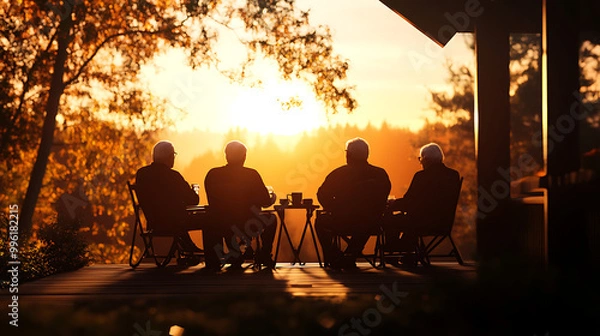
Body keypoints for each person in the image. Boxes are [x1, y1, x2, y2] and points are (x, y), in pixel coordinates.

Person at [315, 137, 391, 270]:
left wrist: (333, 208)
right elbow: (383, 199)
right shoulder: (380, 174)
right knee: (366, 222)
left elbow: (321, 194)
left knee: (320, 221)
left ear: (348, 154)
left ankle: (335, 256)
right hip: (371, 223)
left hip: (342, 221)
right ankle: (349, 256)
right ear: (366, 154)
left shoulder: (339, 174)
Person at [204, 140, 277, 269]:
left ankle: (234, 253)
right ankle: (264, 254)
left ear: (226, 155)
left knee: (221, 220)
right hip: (247, 222)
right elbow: (265, 202)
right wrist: (272, 196)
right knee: (271, 218)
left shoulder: (213, 175)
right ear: (244, 157)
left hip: (220, 222)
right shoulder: (251, 175)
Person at [384, 143, 460, 263]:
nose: (420, 163)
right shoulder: (453, 175)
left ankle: (393, 251)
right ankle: (407, 252)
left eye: (420, 159)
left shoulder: (422, 176)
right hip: (443, 222)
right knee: (410, 219)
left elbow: (409, 202)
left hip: (421, 223)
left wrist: (392, 204)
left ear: (427, 159)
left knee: (389, 219)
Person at [135, 140, 204, 259]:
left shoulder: (141, 174)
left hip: (153, 223)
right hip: (175, 222)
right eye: (173, 155)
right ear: (169, 157)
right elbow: (193, 200)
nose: (174, 158)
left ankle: (188, 247)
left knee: (178, 217)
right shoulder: (173, 176)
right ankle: (211, 258)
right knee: (208, 219)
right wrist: (193, 191)